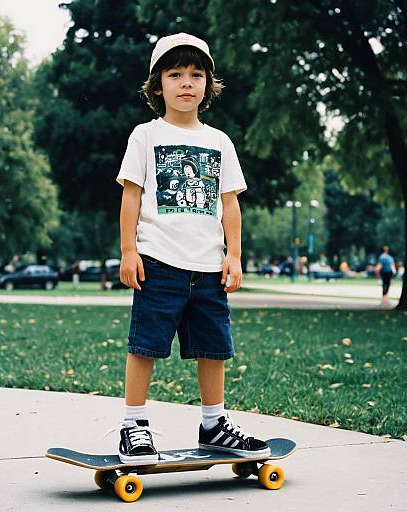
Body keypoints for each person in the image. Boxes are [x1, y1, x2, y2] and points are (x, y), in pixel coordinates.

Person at [115, 33, 270, 464]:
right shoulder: (146, 136)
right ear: (157, 85)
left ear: (208, 84)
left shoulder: (219, 142)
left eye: (196, 74)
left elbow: (230, 203)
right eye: (176, 74)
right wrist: (129, 250)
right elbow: (130, 194)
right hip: (157, 263)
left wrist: (234, 254)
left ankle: (214, 425)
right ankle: (133, 426)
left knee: (214, 347)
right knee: (144, 345)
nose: (187, 82)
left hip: (208, 269)